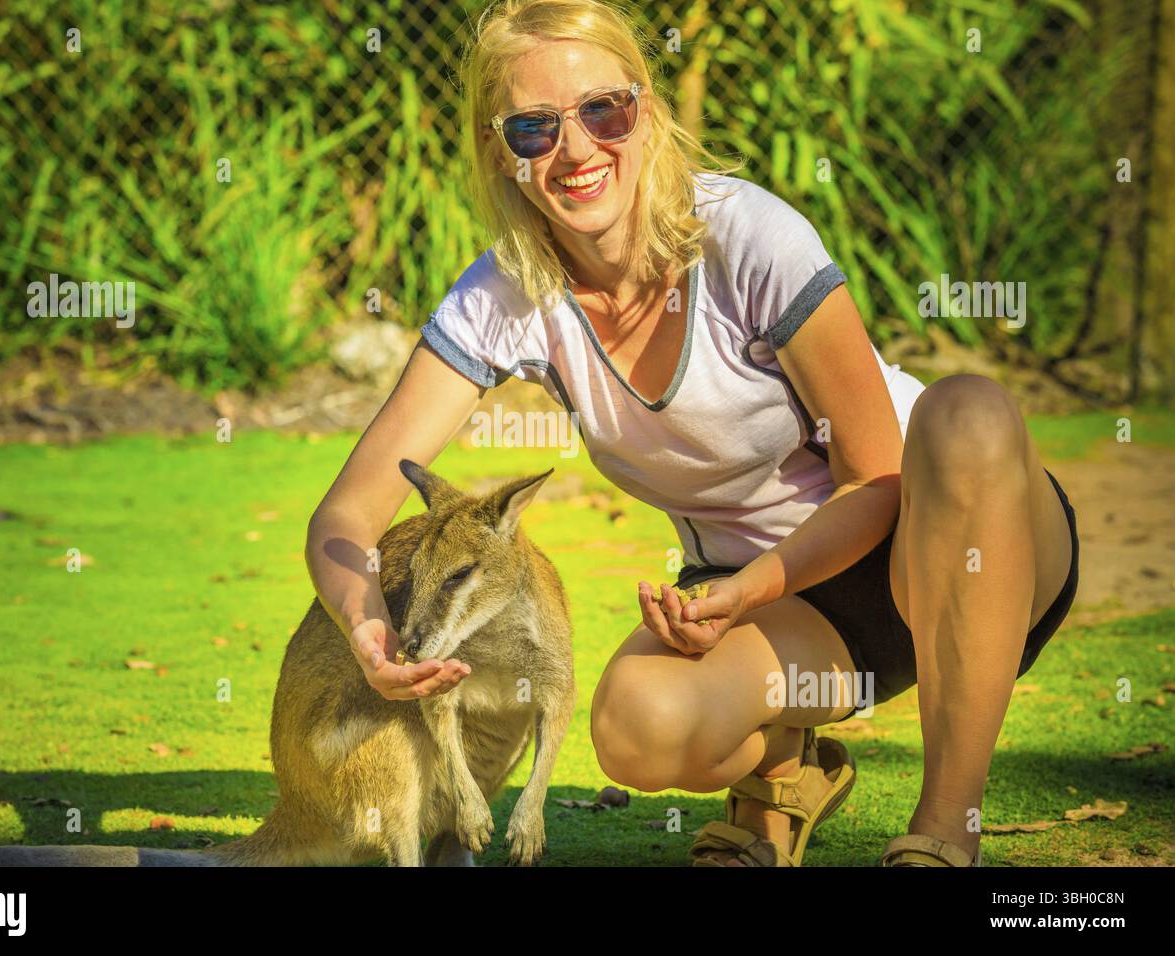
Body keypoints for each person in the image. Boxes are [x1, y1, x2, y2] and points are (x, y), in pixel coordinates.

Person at [305, 0, 1080, 867]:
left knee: (968, 411)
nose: (577, 150)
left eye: (604, 109)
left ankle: (943, 833)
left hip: (945, 543)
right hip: (786, 610)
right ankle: (785, 775)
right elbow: (346, 513)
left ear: (646, 109)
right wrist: (366, 628)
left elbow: (875, 478)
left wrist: (745, 591)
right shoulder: (505, 297)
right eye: (534, 126)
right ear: (501, 151)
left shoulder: (748, 236)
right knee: (637, 727)